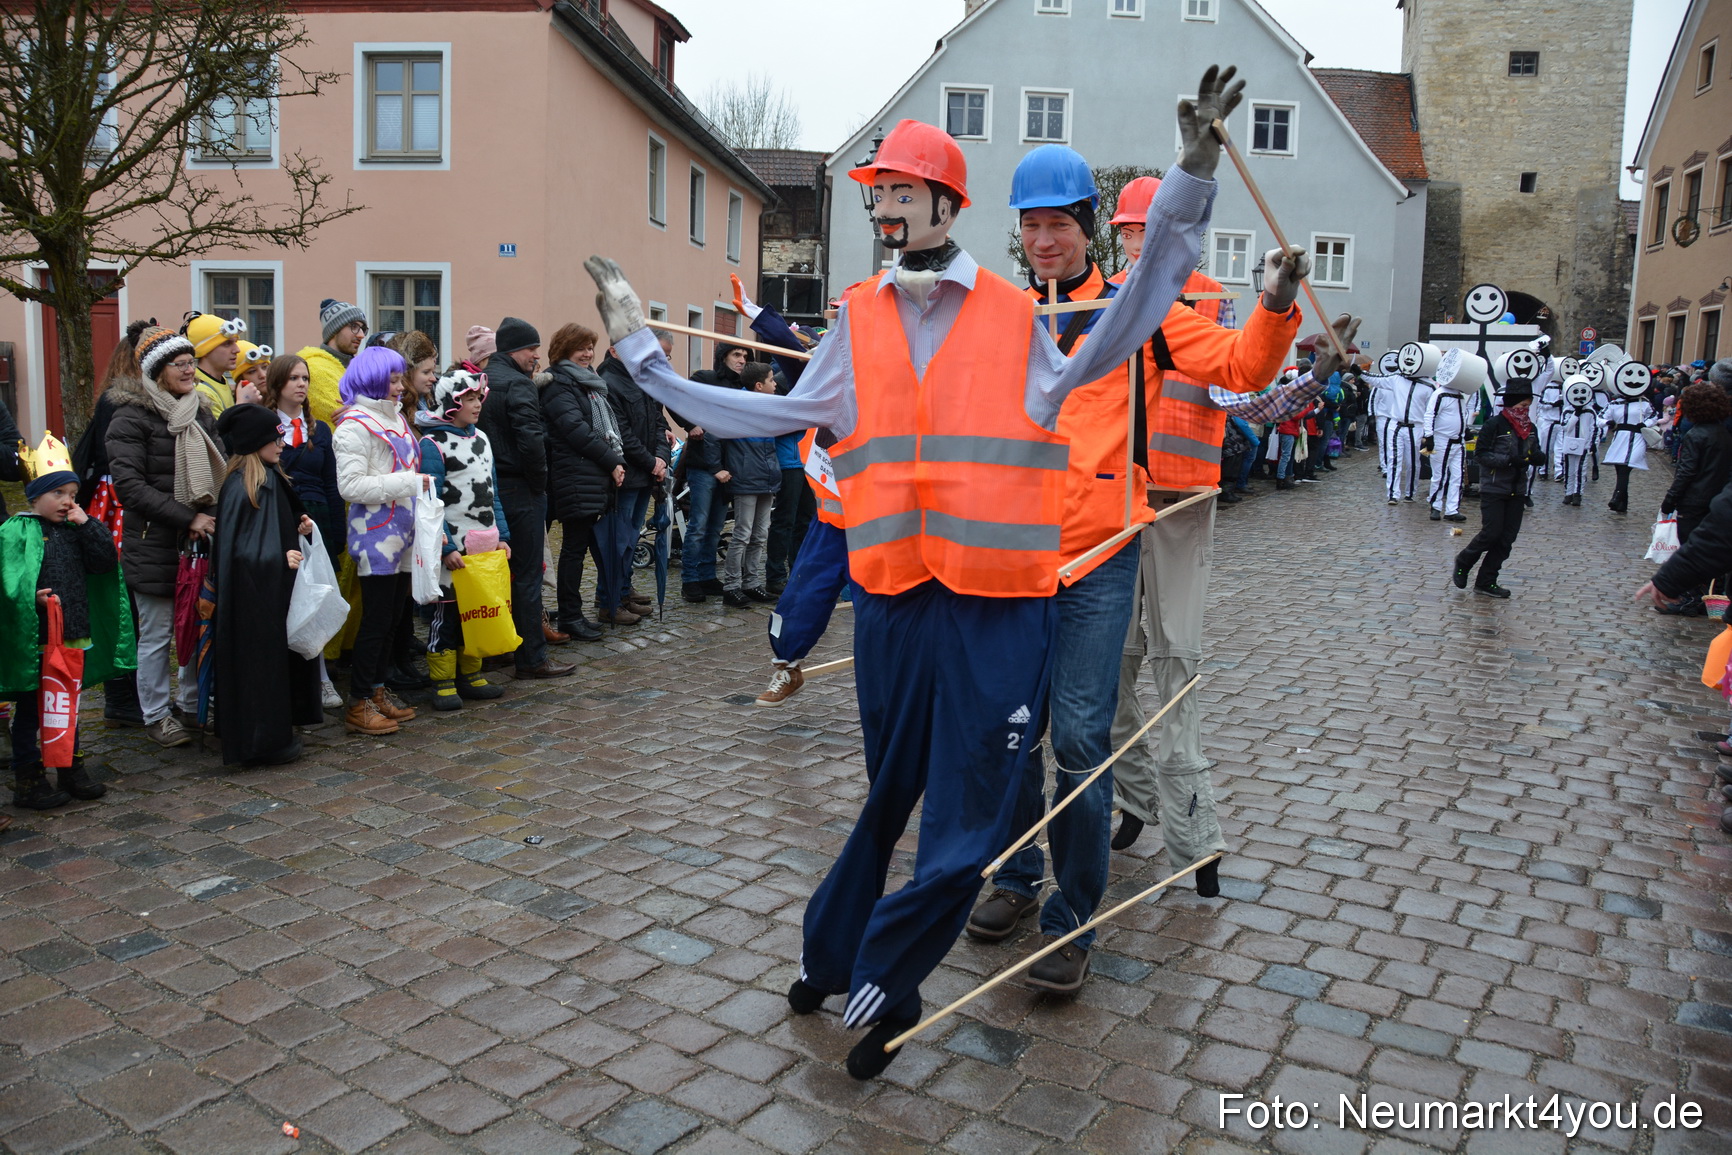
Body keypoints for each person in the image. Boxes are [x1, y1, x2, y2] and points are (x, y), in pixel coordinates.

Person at [585, 63, 1238, 1079]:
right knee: (890, 792)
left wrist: (1188, 181)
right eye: (876, 193)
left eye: (901, 191)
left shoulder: (1024, 322)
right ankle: (829, 952)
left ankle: (889, 974)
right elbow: (775, 414)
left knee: (972, 808)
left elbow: (1137, 313)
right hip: (891, 600)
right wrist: (642, 356)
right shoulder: (855, 318)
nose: (886, 207)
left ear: (945, 203)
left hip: (997, 610)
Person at [967, 147, 1306, 995]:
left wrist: (1275, 303)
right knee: (1011, 729)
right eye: (1031, 226)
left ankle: (1072, 916)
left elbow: (1241, 369)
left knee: (1082, 737)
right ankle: (1013, 875)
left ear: (1087, 229)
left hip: (1099, 553)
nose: (1045, 239)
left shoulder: (1137, 310)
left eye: (1059, 224)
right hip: (1013, 555)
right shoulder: (1005, 317)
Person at [105, 325, 226, 748]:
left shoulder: (202, 410)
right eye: (181, 364)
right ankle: (156, 714)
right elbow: (129, 487)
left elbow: (220, 472)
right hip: (153, 541)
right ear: (158, 371)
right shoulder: (129, 417)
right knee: (157, 636)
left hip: (198, 544)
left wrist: (207, 517)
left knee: (195, 625)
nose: (191, 370)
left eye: (192, 362)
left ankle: (192, 706)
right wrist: (186, 518)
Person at [0, 438, 131, 808]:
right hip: (35, 639)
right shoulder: (16, 530)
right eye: (57, 492)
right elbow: (8, 581)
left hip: (72, 634)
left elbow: (105, 562)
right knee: (30, 711)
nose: (67, 501)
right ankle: (28, 778)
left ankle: (70, 767)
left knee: (66, 706)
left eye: (72, 493)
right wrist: (32, 598)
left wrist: (88, 523)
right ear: (35, 496)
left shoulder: (77, 529)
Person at [210, 404, 322, 765]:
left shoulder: (268, 479)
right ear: (255, 442)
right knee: (259, 667)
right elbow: (241, 553)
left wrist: (295, 528)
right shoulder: (247, 487)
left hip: (269, 594)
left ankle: (274, 731)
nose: (281, 443)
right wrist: (278, 557)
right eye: (274, 437)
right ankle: (262, 742)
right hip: (254, 601)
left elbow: (265, 532)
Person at [333, 345, 428, 734]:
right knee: (375, 621)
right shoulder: (355, 425)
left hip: (404, 532)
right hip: (375, 535)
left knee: (392, 619)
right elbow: (351, 485)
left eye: (400, 379)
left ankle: (375, 690)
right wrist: (409, 482)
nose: (400, 387)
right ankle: (358, 703)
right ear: (373, 380)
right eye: (392, 380)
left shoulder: (396, 420)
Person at [477, 317, 572, 679]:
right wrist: (539, 484)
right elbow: (532, 441)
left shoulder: (484, 380)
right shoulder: (518, 383)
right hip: (519, 487)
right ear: (516, 350)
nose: (537, 356)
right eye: (532, 349)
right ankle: (532, 658)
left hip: (488, 488)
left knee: (496, 575)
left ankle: (497, 649)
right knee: (527, 576)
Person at [419, 367, 511, 710]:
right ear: (450, 403)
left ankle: (471, 673)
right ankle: (442, 680)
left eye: (478, 398)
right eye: (469, 399)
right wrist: (444, 546)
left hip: (483, 546)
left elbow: (492, 494)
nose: (477, 405)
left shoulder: (482, 439)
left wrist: (502, 534)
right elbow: (429, 502)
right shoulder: (433, 444)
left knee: (477, 614)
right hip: (453, 549)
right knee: (446, 618)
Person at [262, 353, 344, 708]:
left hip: (319, 518)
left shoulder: (320, 429)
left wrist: (337, 533)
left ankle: (322, 677)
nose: (301, 385)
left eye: (305, 379)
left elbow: (331, 482)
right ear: (278, 383)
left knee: (319, 596)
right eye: (294, 378)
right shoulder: (267, 427)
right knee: (289, 599)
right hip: (283, 517)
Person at [545, 323, 625, 642]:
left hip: (587, 477)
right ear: (564, 349)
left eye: (591, 347)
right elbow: (576, 431)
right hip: (571, 476)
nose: (588, 353)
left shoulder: (589, 383)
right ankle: (569, 616)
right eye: (581, 347)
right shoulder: (558, 384)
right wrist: (613, 461)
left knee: (578, 550)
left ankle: (574, 613)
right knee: (573, 550)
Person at [596, 329, 670, 622]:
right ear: (614, 351)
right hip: (626, 474)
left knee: (630, 538)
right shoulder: (609, 382)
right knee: (618, 541)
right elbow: (621, 433)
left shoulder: (640, 378)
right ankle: (609, 601)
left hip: (646, 473)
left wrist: (662, 457)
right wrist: (652, 461)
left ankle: (624, 592)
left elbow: (657, 420)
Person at [1452, 380, 1544, 598]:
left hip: (1517, 490)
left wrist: (1538, 457)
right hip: (1495, 488)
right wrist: (1508, 460)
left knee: (1506, 539)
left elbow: (1536, 451)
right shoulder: (1495, 425)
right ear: (1511, 404)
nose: (1524, 410)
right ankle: (1464, 560)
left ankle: (1486, 580)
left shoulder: (1531, 428)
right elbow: (1481, 454)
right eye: (1521, 405)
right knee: (1491, 533)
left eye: (1527, 406)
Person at [671, 343, 748, 604]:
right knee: (699, 525)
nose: (741, 360)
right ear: (723, 357)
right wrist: (690, 424)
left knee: (716, 525)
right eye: (736, 355)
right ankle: (690, 580)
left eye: (745, 356)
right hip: (703, 464)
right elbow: (674, 397)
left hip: (730, 465)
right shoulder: (705, 378)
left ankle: (706, 575)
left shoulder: (742, 387)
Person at [1656, 383, 1732, 615]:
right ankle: (1707, 598)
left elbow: (1686, 472)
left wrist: (1669, 501)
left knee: (1691, 546)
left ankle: (1693, 600)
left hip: (1695, 501)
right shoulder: (1724, 434)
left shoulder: (1696, 435)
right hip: (1715, 497)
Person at [720, 363, 781, 607]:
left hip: (767, 479)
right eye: (771, 380)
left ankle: (752, 583)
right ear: (759, 385)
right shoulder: (738, 407)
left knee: (760, 534)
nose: (775, 384)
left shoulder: (769, 407)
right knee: (742, 534)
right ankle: (731, 586)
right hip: (747, 479)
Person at [300, 298, 368, 427]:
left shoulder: (359, 368)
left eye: (362, 328)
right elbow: (337, 414)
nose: (361, 335)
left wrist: (358, 411)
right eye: (354, 327)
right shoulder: (316, 368)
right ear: (334, 330)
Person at [1600, 364, 1657, 514]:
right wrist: (1607, 423)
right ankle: (1622, 503)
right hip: (1620, 437)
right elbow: (1600, 417)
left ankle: (1616, 497)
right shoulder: (1614, 403)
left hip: (1637, 437)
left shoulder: (1644, 402)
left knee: (1626, 467)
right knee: (1620, 468)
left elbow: (1654, 416)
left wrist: (1645, 423)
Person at [1422, 364, 1473, 522]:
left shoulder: (1459, 395)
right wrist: (1429, 437)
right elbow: (1430, 415)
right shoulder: (1440, 394)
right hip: (1441, 439)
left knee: (1457, 476)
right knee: (1439, 475)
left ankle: (1452, 509)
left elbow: (1461, 416)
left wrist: (1465, 431)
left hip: (1458, 441)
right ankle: (1435, 506)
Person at [185, 313, 246, 413]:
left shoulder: (220, 380)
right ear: (205, 350)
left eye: (235, 342)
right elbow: (222, 429)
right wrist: (243, 404)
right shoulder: (201, 390)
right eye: (227, 344)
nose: (237, 350)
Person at [1555, 376, 1598, 507]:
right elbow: (1566, 427)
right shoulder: (1567, 411)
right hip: (1569, 443)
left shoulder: (1590, 411)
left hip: (1583, 445)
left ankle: (1577, 494)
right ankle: (1568, 493)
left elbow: (1593, 428)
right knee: (1569, 469)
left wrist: (1591, 444)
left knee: (1580, 470)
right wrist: (1575, 415)